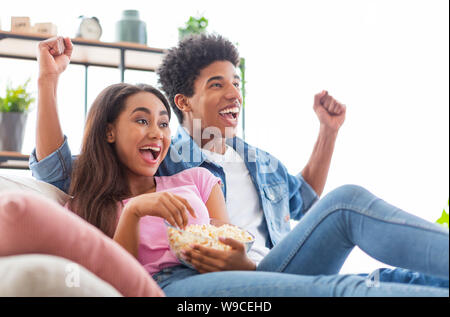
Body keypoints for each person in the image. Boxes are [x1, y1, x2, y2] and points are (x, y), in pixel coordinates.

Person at [30, 36, 449, 295]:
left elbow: (304, 202)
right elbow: (59, 169)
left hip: (273, 263)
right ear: (185, 103)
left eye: (236, 82)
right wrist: (48, 82)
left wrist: (328, 132)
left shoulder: (255, 161)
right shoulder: (167, 160)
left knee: (351, 211)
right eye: (218, 84)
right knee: (350, 266)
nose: (234, 93)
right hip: (215, 277)